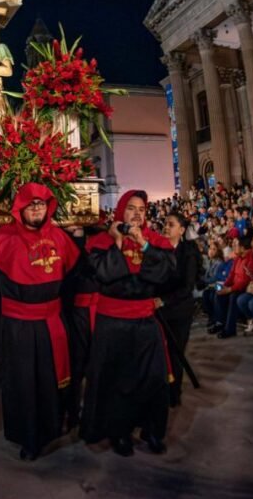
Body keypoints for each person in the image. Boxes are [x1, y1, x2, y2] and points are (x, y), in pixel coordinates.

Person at [0, 183, 80, 460]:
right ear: (20, 208)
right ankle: (27, 436)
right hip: (18, 324)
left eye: (41, 204)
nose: (36, 208)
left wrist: (81, 235)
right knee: (22, 381)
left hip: (51, 320)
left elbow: (75, 273)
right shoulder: (5, 237)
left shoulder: (59, 237)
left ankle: (50, 428)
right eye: (31, 204)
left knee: (49, 378)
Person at [80, 190, 176, 456]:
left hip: (145, 320)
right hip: (112, 322)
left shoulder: (155, 241)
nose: (137, 213)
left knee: (153, 379)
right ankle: (119, 432)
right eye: (132, 208)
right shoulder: (101, 242)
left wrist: (143, 243)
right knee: (117, 380)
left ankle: (152, 430)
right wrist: (119, 242)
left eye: (142, 209)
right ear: (121, 210)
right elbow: (104, 274)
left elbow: (166, 274)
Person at [159, 212, 199, 406]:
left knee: (175, 354)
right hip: (160, 310)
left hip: (179, 310)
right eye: (165, 224)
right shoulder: (159, 250)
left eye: (171, 224)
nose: (166, 227)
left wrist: (163, 300)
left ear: (182, 230)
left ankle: (174, 393)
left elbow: (187, 286)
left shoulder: (188, 253)